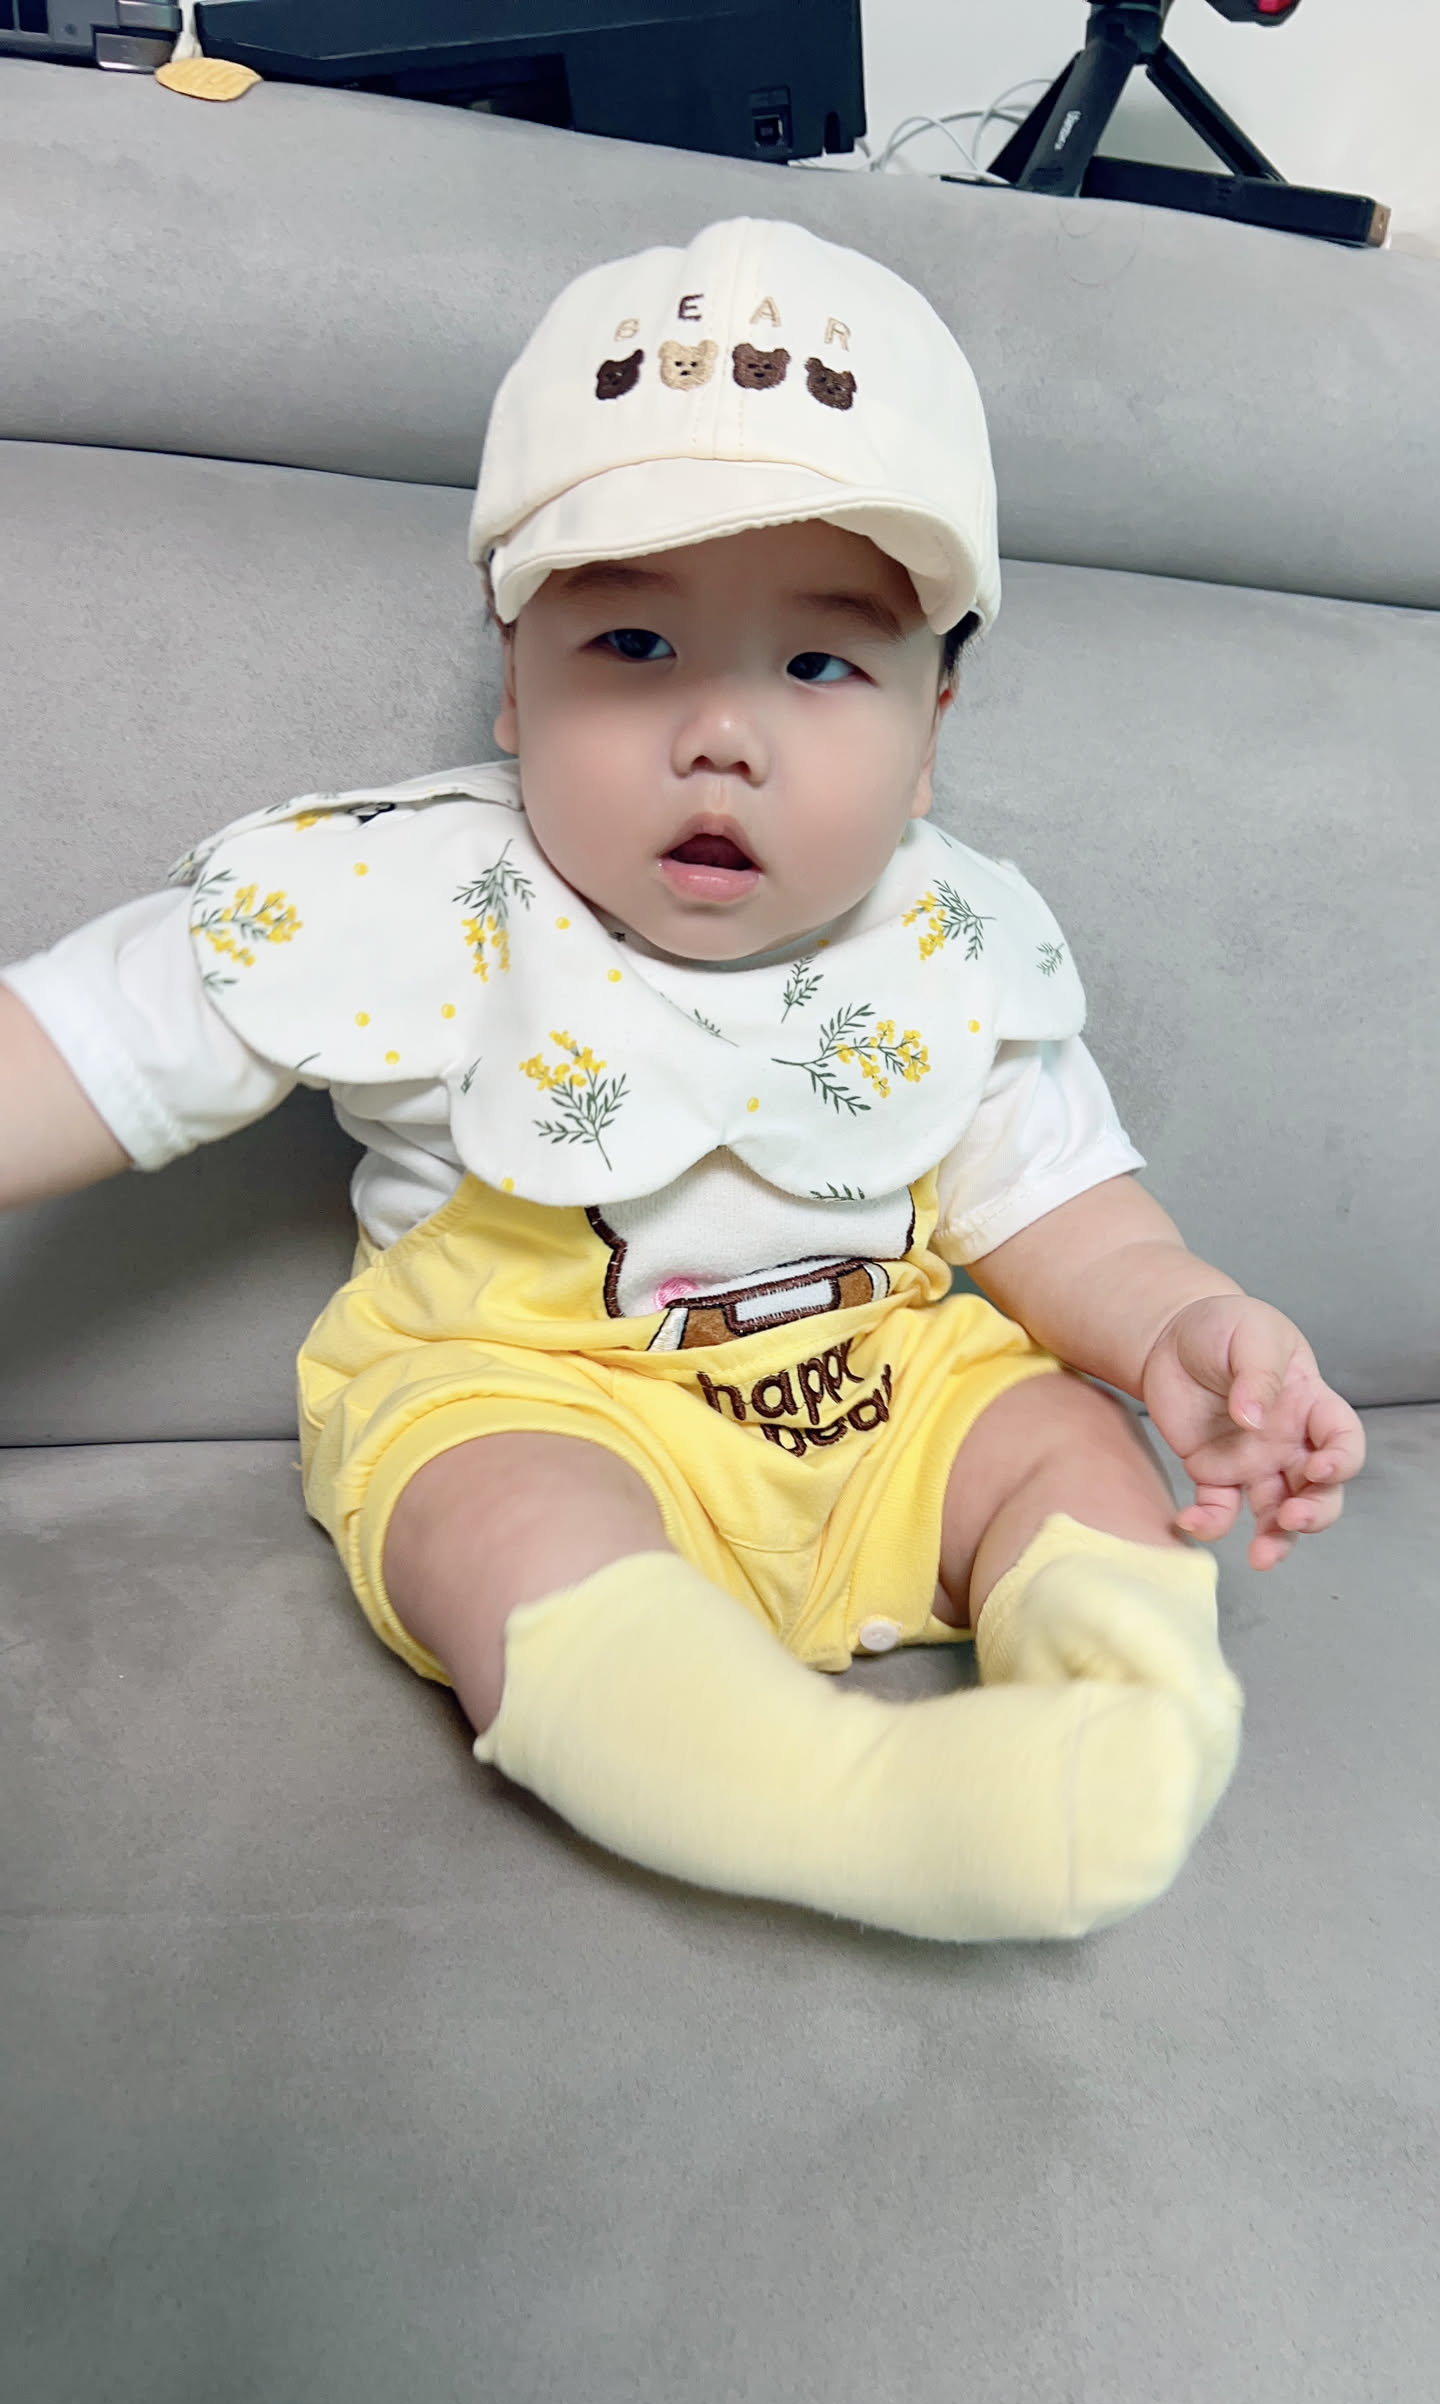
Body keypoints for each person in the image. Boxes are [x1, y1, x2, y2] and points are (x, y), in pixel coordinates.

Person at [0, 216, 1365, 1942]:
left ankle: (1120, 1721)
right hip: (534, 1388)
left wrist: (1179, 1328)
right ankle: (821, 1798)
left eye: (821, 663)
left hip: (883, 1384)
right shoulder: (414, 892)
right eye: (634, 648)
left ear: (932, 730)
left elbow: (1064, 1209)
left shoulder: (949, 936)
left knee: (1064, 1444)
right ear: (514, 680)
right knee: (499, 1516)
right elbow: (95, 1040)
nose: (721, 733)